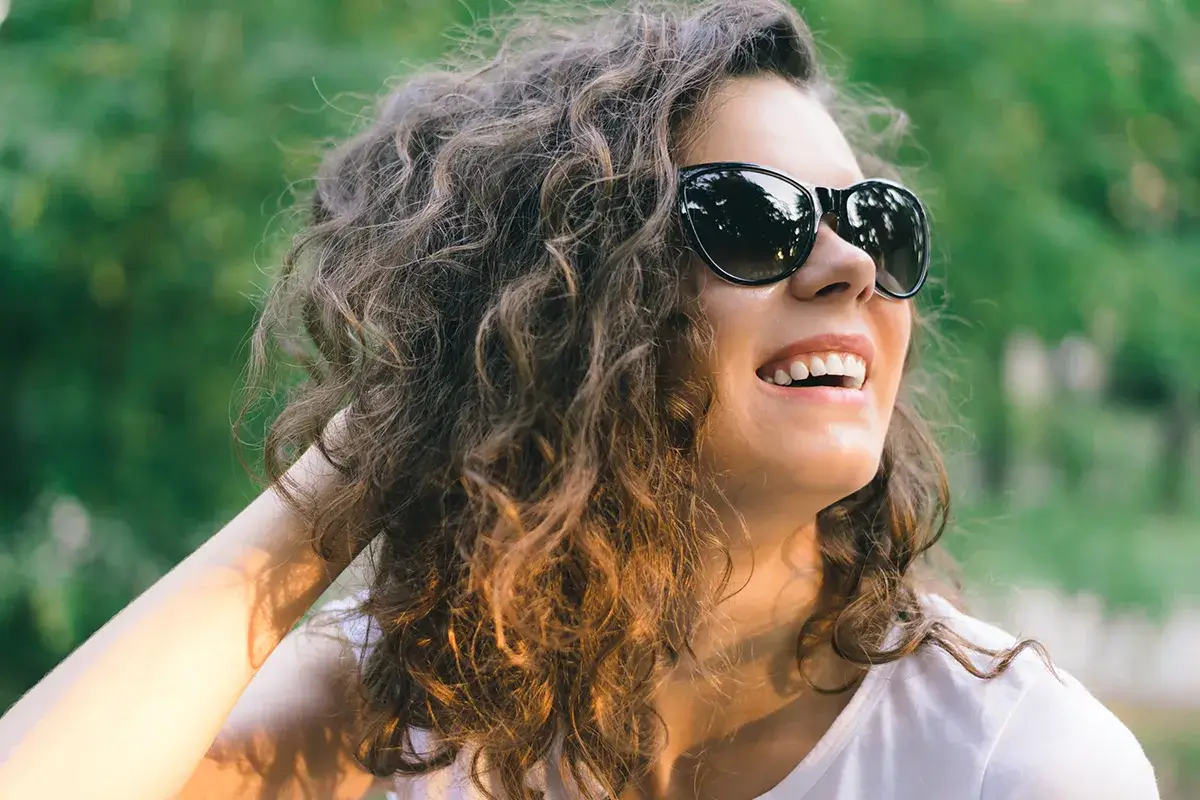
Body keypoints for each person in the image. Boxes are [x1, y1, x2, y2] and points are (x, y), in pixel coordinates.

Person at [0, 1, 1161, 798]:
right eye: (752, 220)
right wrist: (371, 457)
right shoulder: (412, 709)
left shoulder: (1019, 764)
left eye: (876, 223)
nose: (851, 267)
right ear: (557, 309)